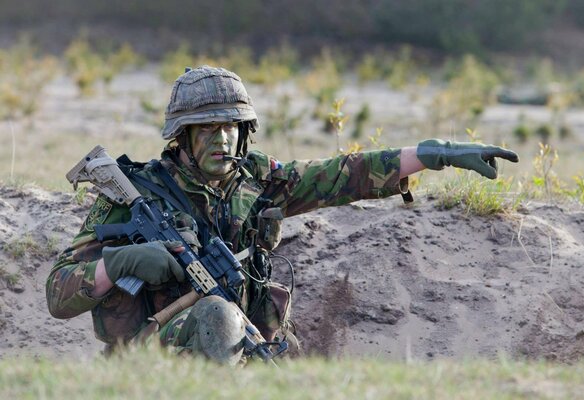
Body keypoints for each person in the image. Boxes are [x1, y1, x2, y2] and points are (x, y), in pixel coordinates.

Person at [46, 65, 519, 364]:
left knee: (280, 355)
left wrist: (434, 154)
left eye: (232, 127)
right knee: (215, 315)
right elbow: (57, 294)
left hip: (243, 348)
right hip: (151, 359)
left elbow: (344, 174)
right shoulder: (135, 194)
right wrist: (122, 263)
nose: (222, 140)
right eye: (207, 128)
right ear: (182, 136)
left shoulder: (256, 180)